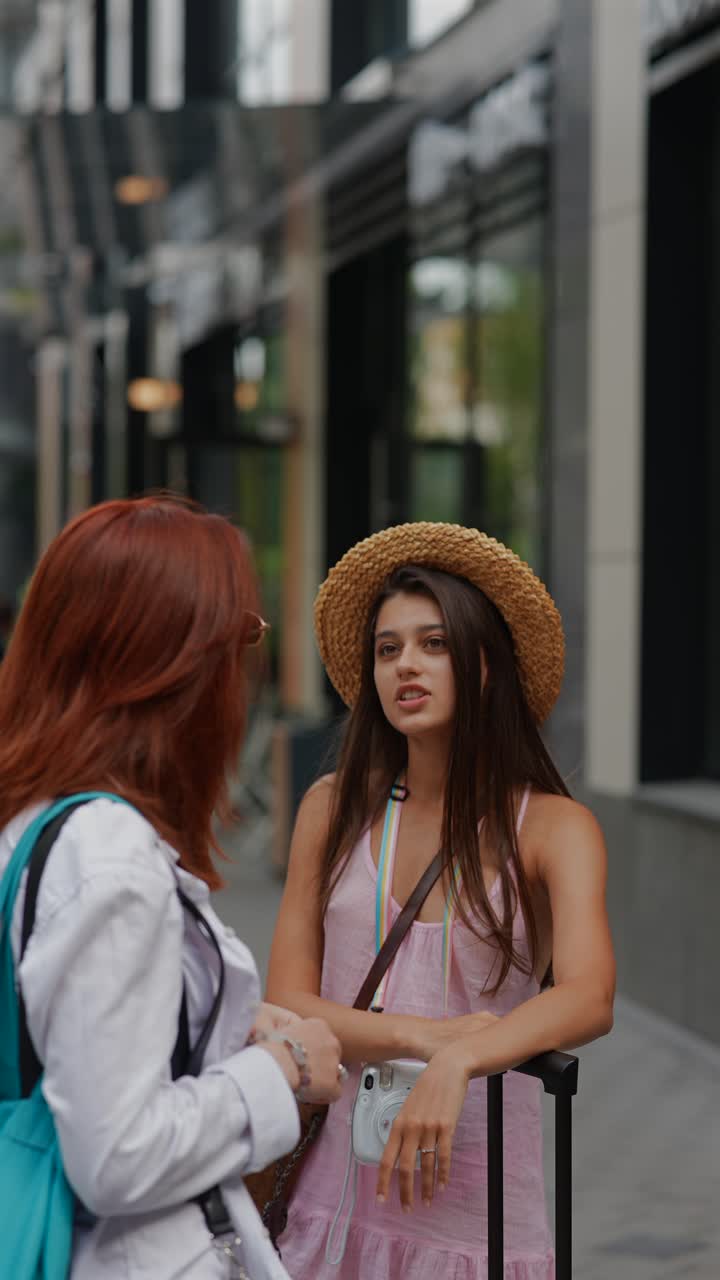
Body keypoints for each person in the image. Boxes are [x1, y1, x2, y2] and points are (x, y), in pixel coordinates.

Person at [0, 494, 343, 1280]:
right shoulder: (111, 858)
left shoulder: (35, 819)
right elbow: (118, 1155)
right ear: (175, 662)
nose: (245, 669)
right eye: (243, 637)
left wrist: (214, 1021)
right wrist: (284, 1069)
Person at [266, 522, 616, 1279]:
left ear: (484, 665)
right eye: (388, 650)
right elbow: (289, 1001)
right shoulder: (332, 809)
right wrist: (424, 1039)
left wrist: (462, 1058)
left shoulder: (554, 828)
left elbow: (590, 997)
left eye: (434, 643)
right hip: (332, 1199)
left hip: (479, 1215)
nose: (406, 666)